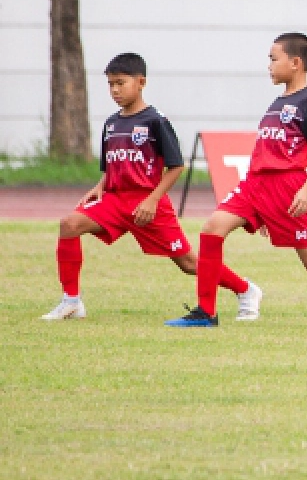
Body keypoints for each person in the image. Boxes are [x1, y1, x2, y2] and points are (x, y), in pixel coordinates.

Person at [167, 34, 307, 329]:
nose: (269, 66)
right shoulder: (277, 101)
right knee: (211, 229)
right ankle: (206, 312)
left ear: (295, 63)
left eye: (273, 59)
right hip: (254, 186)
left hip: (287, 188)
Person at [44, 54, 260, 323]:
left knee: (189, 264)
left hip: (148, 204)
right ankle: (72, 302)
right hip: (114, 200)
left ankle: (246, 290)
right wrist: (99, 187)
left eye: (120, 83)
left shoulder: (155, 121)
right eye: (110, 84)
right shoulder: (111, 124)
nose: (114, 90)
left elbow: (176, 166)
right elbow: (113, 164)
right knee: (69, 224)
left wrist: (152, 199)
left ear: (141, 82)